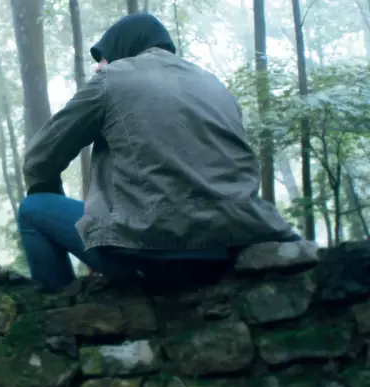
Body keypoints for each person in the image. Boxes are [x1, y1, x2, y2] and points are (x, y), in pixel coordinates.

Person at [17, 12, 300, 291]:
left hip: (152, 253)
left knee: (33, 209)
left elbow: (39, 160)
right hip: (232, 247)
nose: (98, 66)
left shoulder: (112, 80)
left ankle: (58, 314)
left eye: (102, 56)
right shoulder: (214, 84)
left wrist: (57, 199)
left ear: (122, 48)